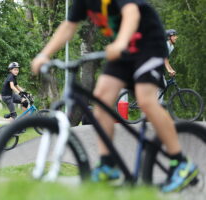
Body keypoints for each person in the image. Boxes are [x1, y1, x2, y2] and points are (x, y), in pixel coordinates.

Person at [31, 0, 198, 192]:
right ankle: (107, 164)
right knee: (101, 98)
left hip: (149, 44)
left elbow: (132, 13)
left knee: (145, 100)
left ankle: (181, 162)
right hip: (124, 49)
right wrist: (44, 54)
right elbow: (68, 26)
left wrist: (119, 42)